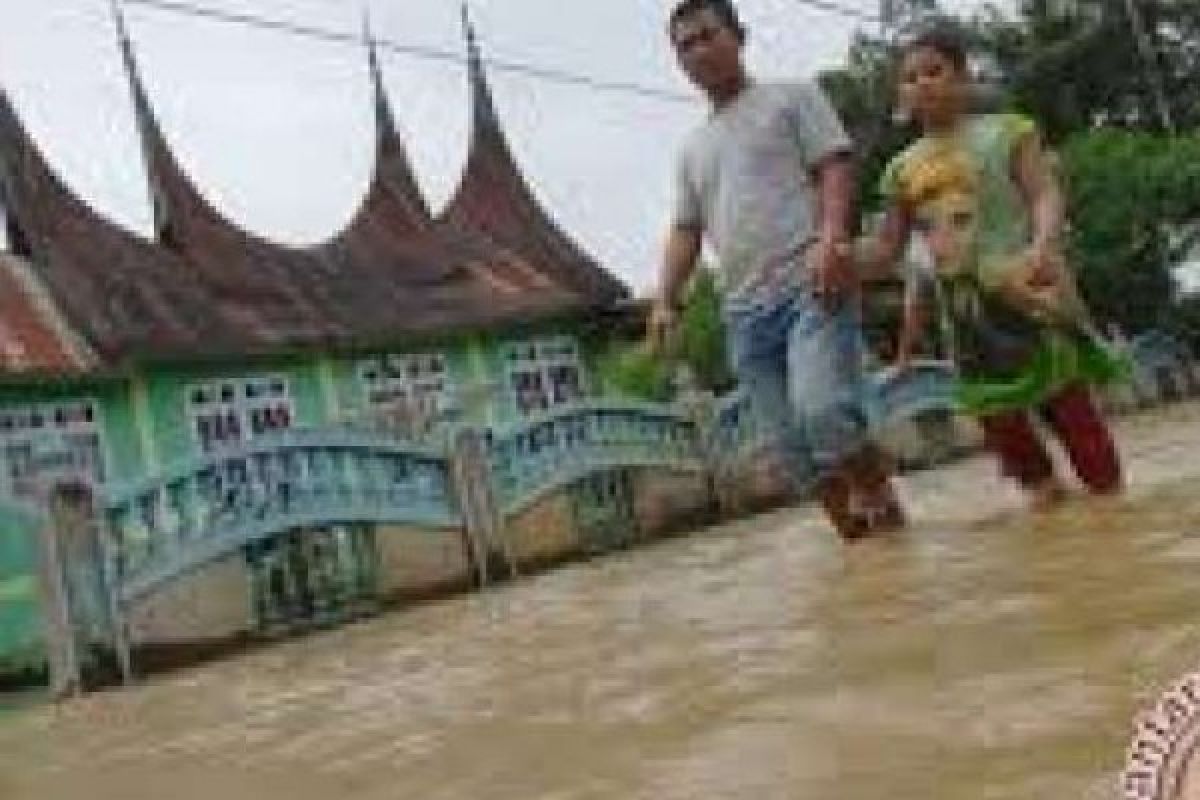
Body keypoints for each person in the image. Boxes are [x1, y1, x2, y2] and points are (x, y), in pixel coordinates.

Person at [649, 0, 905, 539]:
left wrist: (832, 238)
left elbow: (833, 166)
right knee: (794, 453)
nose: (697, 51)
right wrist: (665, 299)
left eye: (706, 35)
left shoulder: (791, 99)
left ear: (738, 36)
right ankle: (863, 557)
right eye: (684, 45)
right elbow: (687, 230)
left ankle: (883, 504)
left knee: (824, 415)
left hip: (810, 284)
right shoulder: (692, 149)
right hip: (744, 311)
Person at [865, 25, 1125, 511]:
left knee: (1074, 417)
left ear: (963, 77)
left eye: (935, 71)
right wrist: (836, 255)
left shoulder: (1009, 131)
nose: (923, 83)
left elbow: (1044, 193)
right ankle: (1056, 518)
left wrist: (1044, 242)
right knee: (1008, 435)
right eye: (910, 78)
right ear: (901, 94)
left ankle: (1113, 513)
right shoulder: (900, 170)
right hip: (968, 322)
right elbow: (886, 250)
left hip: (1033, 293)